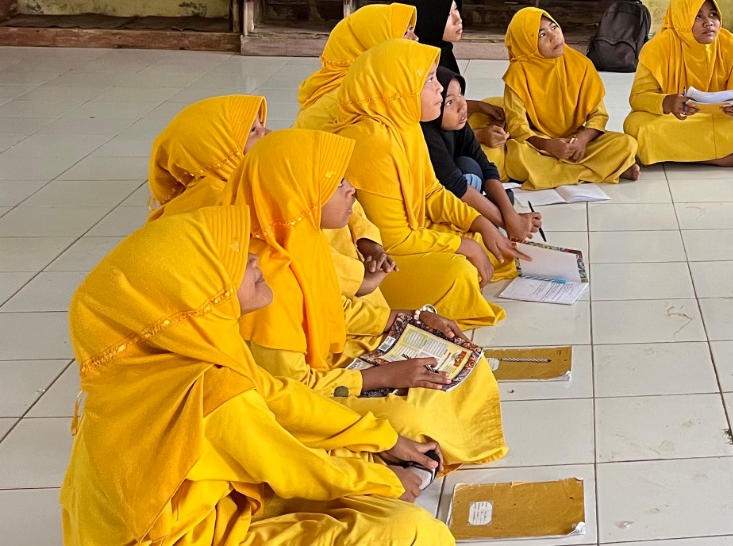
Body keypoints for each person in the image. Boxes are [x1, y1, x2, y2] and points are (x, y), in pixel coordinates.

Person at [61, 205, 451, 546]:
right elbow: (292, 465)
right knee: (410, 530)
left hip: (206, 511)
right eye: (230, 258)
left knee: (358, 458)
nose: (253, 257)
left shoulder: (181, 356)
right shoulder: (210, 390)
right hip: (179, 536)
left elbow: (282, 399)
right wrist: (387, 482)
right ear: (195, 298)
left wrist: (384, 440)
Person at [230, 128, 508, 469]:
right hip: (308, 392)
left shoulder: (303, 239)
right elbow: (291, 389)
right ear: (300, 195)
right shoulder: (266, 280)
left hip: (337, 355)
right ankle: (403, 455)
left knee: (457, 359)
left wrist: (411, 318)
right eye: (338, 184)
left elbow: (338, 310)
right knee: (408, 415)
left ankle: (416, 452)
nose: (352, 189)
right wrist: (382, 377)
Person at [307, 37, 529, 327]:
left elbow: (432, 191)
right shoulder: (372, 143)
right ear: (399, 88)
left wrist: (481, 224)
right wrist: (463, 245)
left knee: (484, 241)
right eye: (429, 80)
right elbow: (394, 241)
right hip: (381, 261)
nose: (439, 88)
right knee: (458, 270)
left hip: (410, 232)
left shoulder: (406, 124)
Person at [624, 0, 733, 168]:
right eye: (698, 16)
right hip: (676, 119)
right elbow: (638, 98)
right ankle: (724, 158)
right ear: (681, 18)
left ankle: (684, 154)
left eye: (713, 15)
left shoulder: (730, 44)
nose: (708, 23)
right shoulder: (658, 48)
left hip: (719, 117)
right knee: (636, 126)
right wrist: (667, 102)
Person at [497, 6, 641, 186]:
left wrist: (582, 140)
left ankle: (555, 174)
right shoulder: (517, 74)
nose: (554, 36)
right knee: (516, 155)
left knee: (627, 144)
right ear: (526, 44)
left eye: (554, 27)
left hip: (576, 141)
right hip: (539, 144)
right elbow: (517, 127)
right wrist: (549, 145)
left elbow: (599, 116)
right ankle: (605, 170)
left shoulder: (581, 64)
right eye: (542, 34)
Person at [424, 67, 534, 242]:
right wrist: (508, 223)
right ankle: (485, 218)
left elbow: (485, 166)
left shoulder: (458, 122)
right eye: (449, 102)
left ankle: (488, 213)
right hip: (432, 202)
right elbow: (455, 185)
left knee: (472, 166)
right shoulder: (426, 134)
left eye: (461, 95)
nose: (463, 106)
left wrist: (511, 214)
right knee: (468, 170)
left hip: (456, 186)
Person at [394, 0, 507, 148]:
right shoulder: (414, 68)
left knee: (499, 106)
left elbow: (445, 103)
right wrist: (479, 135)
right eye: (447, 15)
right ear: (426, 20)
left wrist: (478, 106)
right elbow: (427, 130)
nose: (458, 19)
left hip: (447, 129)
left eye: (456, 10)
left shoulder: (442, 51)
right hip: (431, 146)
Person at [147, 95, 269, 221]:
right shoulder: (218, 199)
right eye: (253, 130)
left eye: (261, 123)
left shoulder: (235, 183)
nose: (267, 133)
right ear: (217, 150)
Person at [296, 3, 418, 112]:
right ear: (374, 40)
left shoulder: (373, 79)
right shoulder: (350, 98)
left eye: (411, 29)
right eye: (405, 33)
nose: (415, 38)